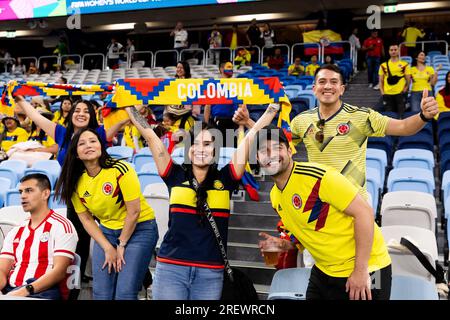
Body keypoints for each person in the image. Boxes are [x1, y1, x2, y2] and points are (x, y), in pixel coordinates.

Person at [125, 102, 279, 300]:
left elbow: (251, 137)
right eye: (195, 143)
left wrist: (272, 109)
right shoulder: (174, 175)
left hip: (210, 272)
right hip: (171, 268)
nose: (200, 149)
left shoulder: (226, 179)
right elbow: (150, 135)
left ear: (215, 150)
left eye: (207, 144)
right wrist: (128, 106)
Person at [234, 64, 439, 199]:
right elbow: (276, 139)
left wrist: (423, 116)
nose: (328, 86)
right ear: (314, 88)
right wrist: (249, 121)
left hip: (353, 201)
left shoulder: (362, 116)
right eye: (322, 82)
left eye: (334, 82)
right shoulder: (302, 120)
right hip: (318, 201)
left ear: (342, 88)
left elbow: (403, 127)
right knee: (314, 264)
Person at [255, 125, 392, 300]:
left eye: (277, 148)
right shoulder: (275, 196)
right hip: (325, 270)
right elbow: (307, 231)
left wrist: (360, 270)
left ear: (290, 151)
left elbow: (364, 213)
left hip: (368, 268)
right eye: (264, 151)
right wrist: (284, 244)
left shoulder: (319, 177)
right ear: (258, 158)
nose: (271, 155)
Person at [14, 96, 125, 293]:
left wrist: (130, 109)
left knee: (112, 232)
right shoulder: (62, 134)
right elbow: (34, 116)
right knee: (78, 236)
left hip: (100, 192)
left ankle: (139, 276)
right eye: (77, 110)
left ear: (91, 116)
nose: (81, 114)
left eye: (86, 111)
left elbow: (119, 122)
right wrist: (19, 99)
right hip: (75, 195)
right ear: (71, 114)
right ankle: (76, 283)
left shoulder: (98, 132)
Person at [55, 128, 158, 300]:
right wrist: (108, 247)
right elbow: (86, 219)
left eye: (93, 141)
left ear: (101, 146)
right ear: (77, 154)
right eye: (82, 143)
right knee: (101, 293)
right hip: (107, 232)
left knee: (124, 293)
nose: (88, 145)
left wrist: (121, 244)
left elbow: (134, 211)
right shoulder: (74, 181)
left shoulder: (121, 168)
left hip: (140, 229)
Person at [0, 174, 78, 299]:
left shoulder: (62, 226)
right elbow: (2, 270)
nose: (23, 196)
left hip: (41, 291)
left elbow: (59, 272)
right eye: (21, 192)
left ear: (45, 194)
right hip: (11, 289)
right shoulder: (16, 230)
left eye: (29, 190)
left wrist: (25, 291)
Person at [204, 61, 241, 144]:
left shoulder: (236, 85)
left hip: (233, 122)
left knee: (231, 149)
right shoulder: (213, 84)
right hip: (217, 121)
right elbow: (208, 106)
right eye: (228, 67)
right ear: (221, 69)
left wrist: (240, 125)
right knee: (217, 149)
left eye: (231, 67)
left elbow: (240, 105)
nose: (231, 69)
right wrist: (206, 125)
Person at [378, 44, 411, 117]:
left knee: (401, 116)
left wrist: (405, 89)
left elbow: (408, 79)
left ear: (398, 51)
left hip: (400, 93)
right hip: (387, 94)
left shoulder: (404, 64)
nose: (393, 51)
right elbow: (381, 81)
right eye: (391, 50)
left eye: (395, 50)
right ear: (389, 52)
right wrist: (382, 93)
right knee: (389, 117)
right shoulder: (383, 65)